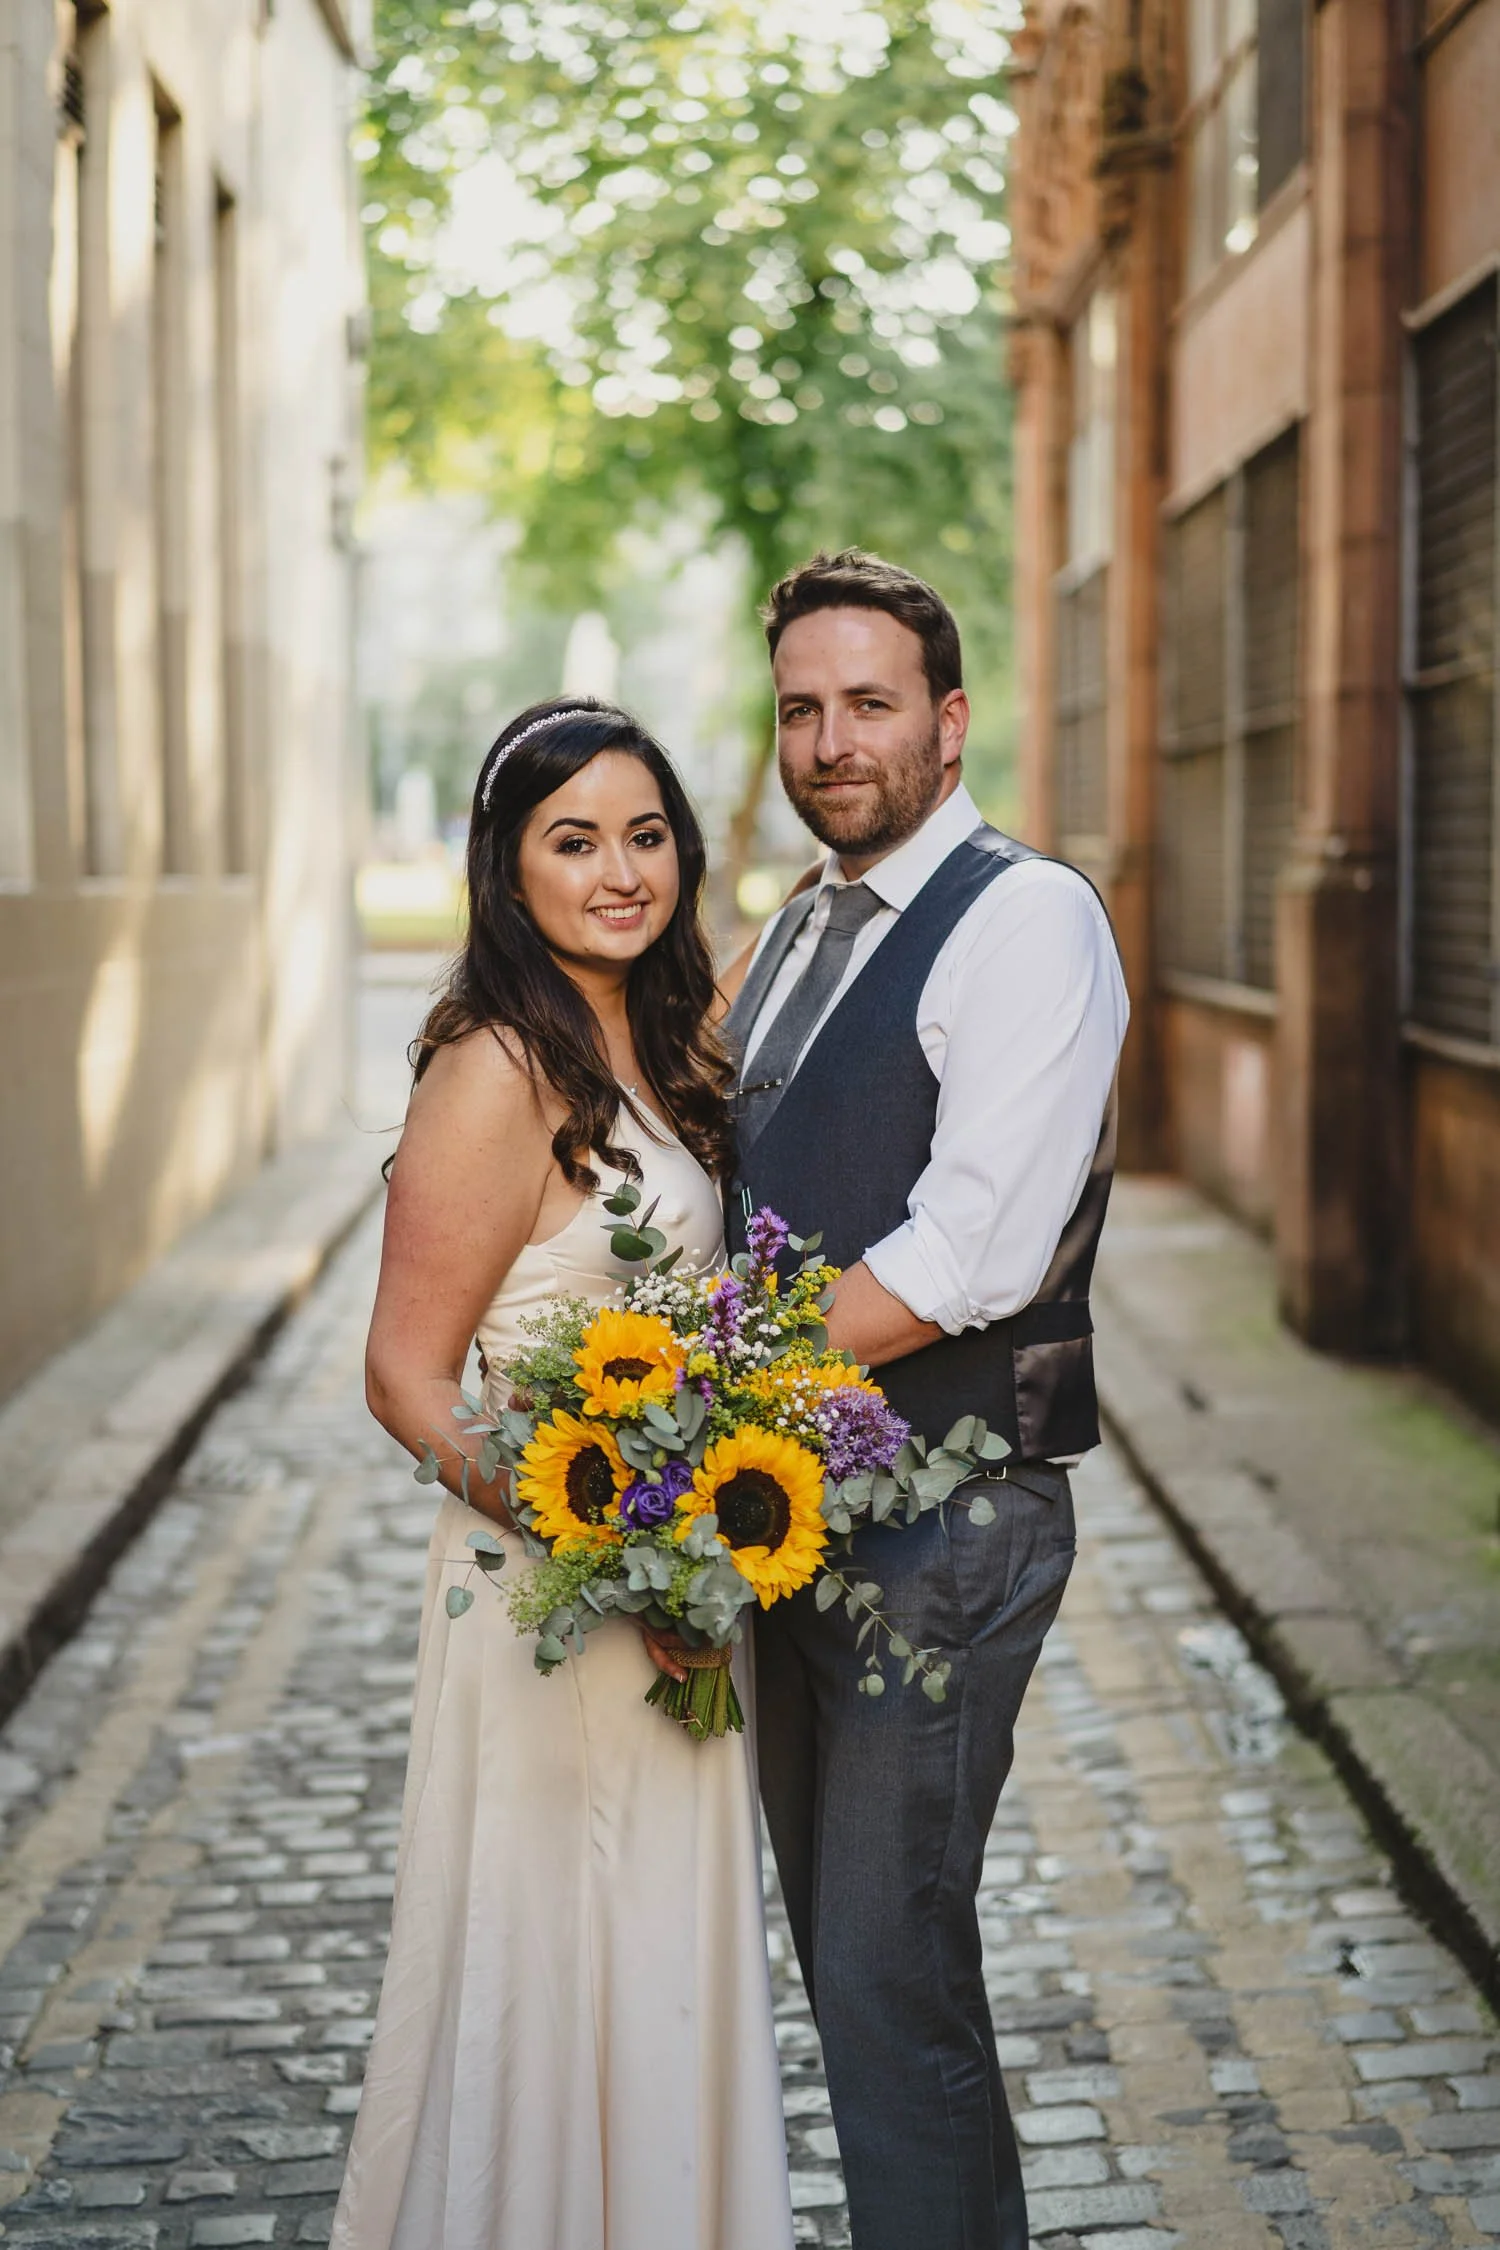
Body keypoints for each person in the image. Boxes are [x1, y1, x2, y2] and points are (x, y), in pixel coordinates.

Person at [334, 700, 794, 2250]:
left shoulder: (667, 1038)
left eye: (646, 834)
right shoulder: (493, 1064)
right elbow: (406, 1376)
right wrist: (614, 1547)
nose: (620, 872)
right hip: (554, 1609)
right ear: (505, 866)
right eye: (574, 840)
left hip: (674, 1606)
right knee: (560, 1970)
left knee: (662, 1969)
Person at [720, 550, 1129, 2250]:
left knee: (889, 1966)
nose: (832, 741)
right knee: (852, 1953)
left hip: (949, 1529)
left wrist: (714, 1389)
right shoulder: (801, 924)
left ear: (949, 725)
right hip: (802, 1519)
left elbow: (975, 1244)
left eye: (870, 703)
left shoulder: (1028, 915)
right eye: (803, 707)